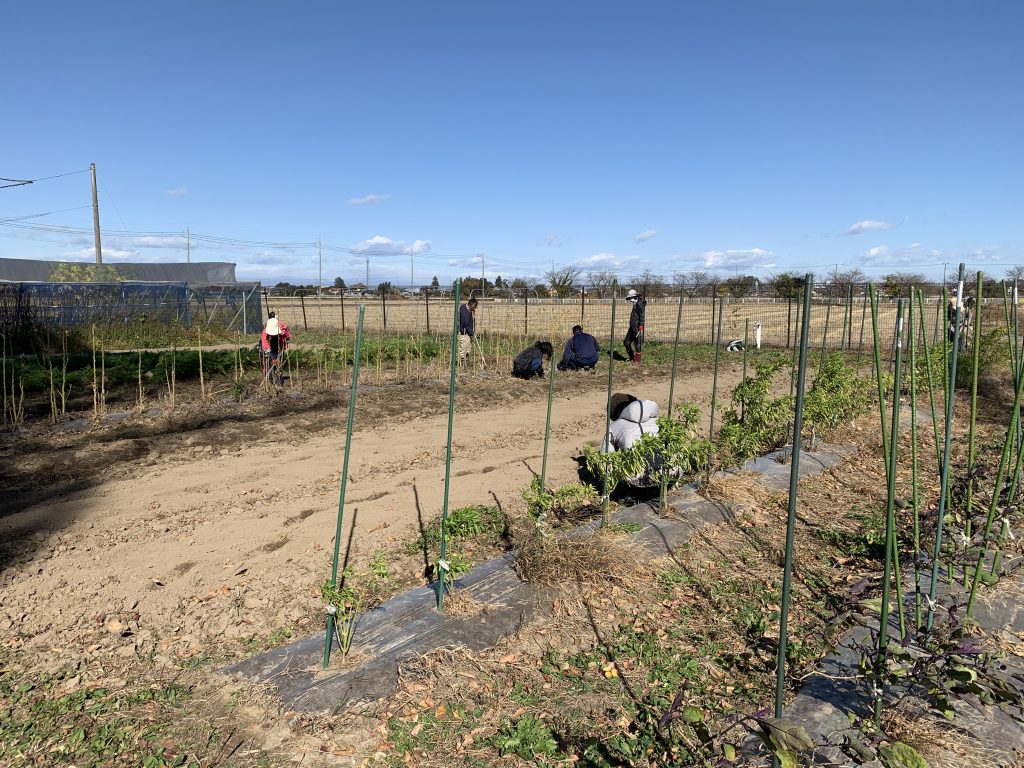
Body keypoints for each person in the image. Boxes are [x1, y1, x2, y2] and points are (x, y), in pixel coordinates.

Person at [602, 393, 663, 487]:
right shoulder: (657, 420)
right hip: (669, 475)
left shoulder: (614, 426)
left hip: (638, 482)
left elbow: (605, 458)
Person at [623, 289, 646, 363]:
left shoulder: (640, 304)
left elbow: (642, 316)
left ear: (635, 297)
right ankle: (632, 357)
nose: (630, 300)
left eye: (631, 298)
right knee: (626, 342)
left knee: (637, 344)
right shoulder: (635, 304)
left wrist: (641, 325)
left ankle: (637, 360)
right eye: (629, 299)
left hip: (637, 327)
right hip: (632, 327)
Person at [459, 297, 478, 363]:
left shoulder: (466, 308)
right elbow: (466, 324)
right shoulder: (465, 312)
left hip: (468, 333)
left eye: (475, 307)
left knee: (468, 348)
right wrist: (472, 333)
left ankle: (466, 361)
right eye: (473, 307)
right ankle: (462, 363)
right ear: (469, 305)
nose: (474, 309)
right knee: (463, 348)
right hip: (464, 332)